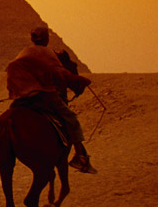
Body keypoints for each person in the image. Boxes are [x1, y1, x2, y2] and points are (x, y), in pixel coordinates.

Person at [6, 27, 97, 174]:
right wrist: (80, 80)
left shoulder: (25, 52)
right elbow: (59, 72)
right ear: (46, 39)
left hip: (21, 95)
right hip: (43, 94)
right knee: (71, 118)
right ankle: (81, 157)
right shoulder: (46, 53)